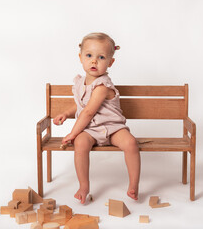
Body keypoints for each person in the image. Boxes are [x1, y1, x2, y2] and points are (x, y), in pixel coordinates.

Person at [53, 32, 141, 204]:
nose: (94, 61)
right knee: (81, 143)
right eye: (89, 55)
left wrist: (72, 133)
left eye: (101, 57)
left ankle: (134, 185)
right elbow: (80, 106)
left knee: (131, 143)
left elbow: (88, 113)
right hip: (91, 130)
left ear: (110, 62)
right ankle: (84, 186)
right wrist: (66, 114)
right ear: (80, 57)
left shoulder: (102, 85)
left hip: (113, 128)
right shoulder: (79, 83)